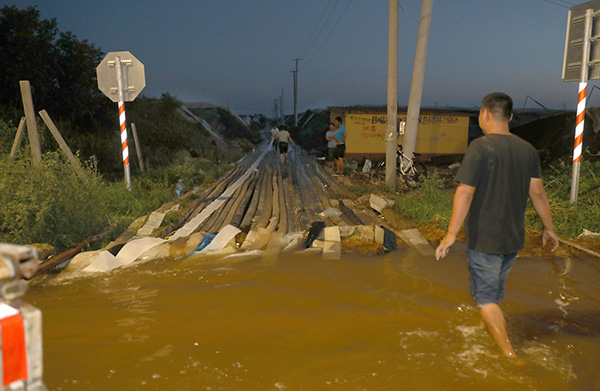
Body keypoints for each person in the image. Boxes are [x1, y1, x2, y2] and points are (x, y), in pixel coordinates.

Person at [435, 92, 559, 358]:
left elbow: (465, 192)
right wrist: (549, 228)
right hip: (513, 240)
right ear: (511, 117)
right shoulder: (527, 149)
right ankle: (486, 326)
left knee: (486, 299)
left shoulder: (480, 147)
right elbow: (537, 193)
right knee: (494, 289)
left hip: (485, 239)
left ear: (484, 114)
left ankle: (509, 356)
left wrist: (450, 234)